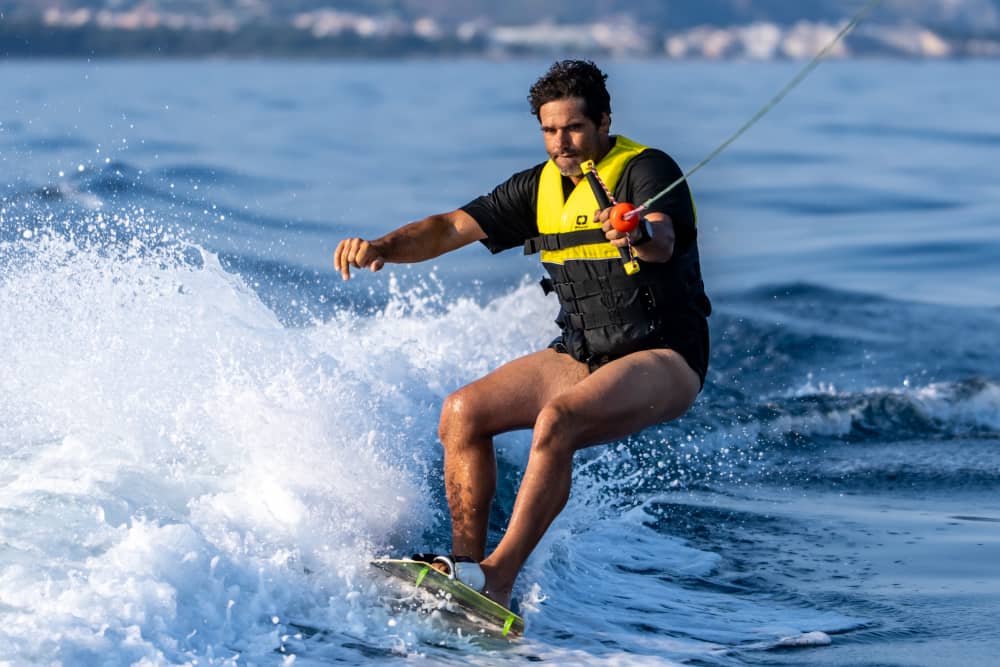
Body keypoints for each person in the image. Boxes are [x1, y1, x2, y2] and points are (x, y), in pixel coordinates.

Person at [334, 60, 711, 609]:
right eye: (550, 130)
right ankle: (465, 570)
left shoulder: (645, 169)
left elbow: (663, 238)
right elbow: (450, 227)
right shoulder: (538, 186)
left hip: (664, 356)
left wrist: (634, 232)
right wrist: (381, 248)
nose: (562, 143)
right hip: (583, 354)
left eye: (574, 128)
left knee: (558, 420)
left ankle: (499, 579)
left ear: (604, 121)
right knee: (463, 412)